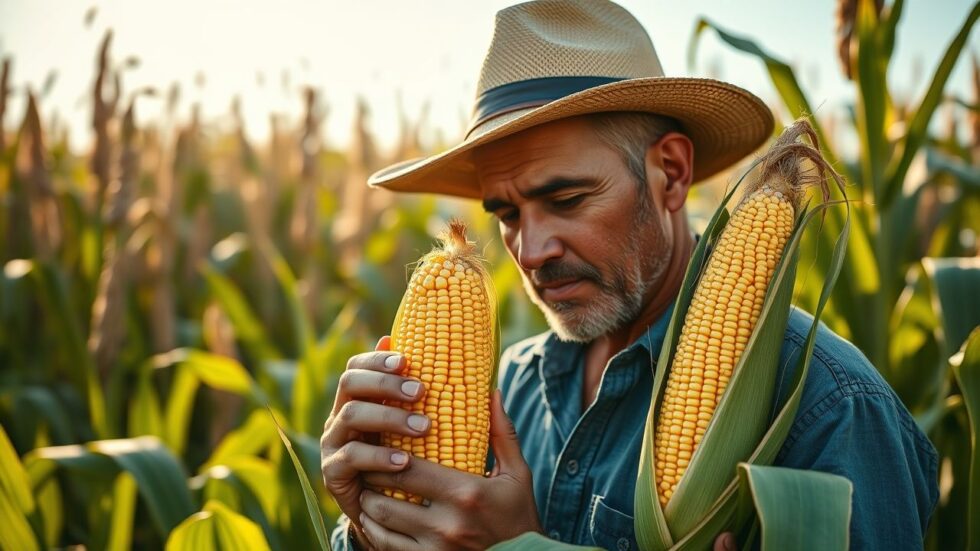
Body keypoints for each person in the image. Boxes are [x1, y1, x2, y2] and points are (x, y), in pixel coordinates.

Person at [319, 1, 939, 550]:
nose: (530, 250)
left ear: (669, 172)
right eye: (506, 214)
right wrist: (373, 524)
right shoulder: (511, 384)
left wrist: (520, 548)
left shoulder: (832, 412)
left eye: (566, 200)